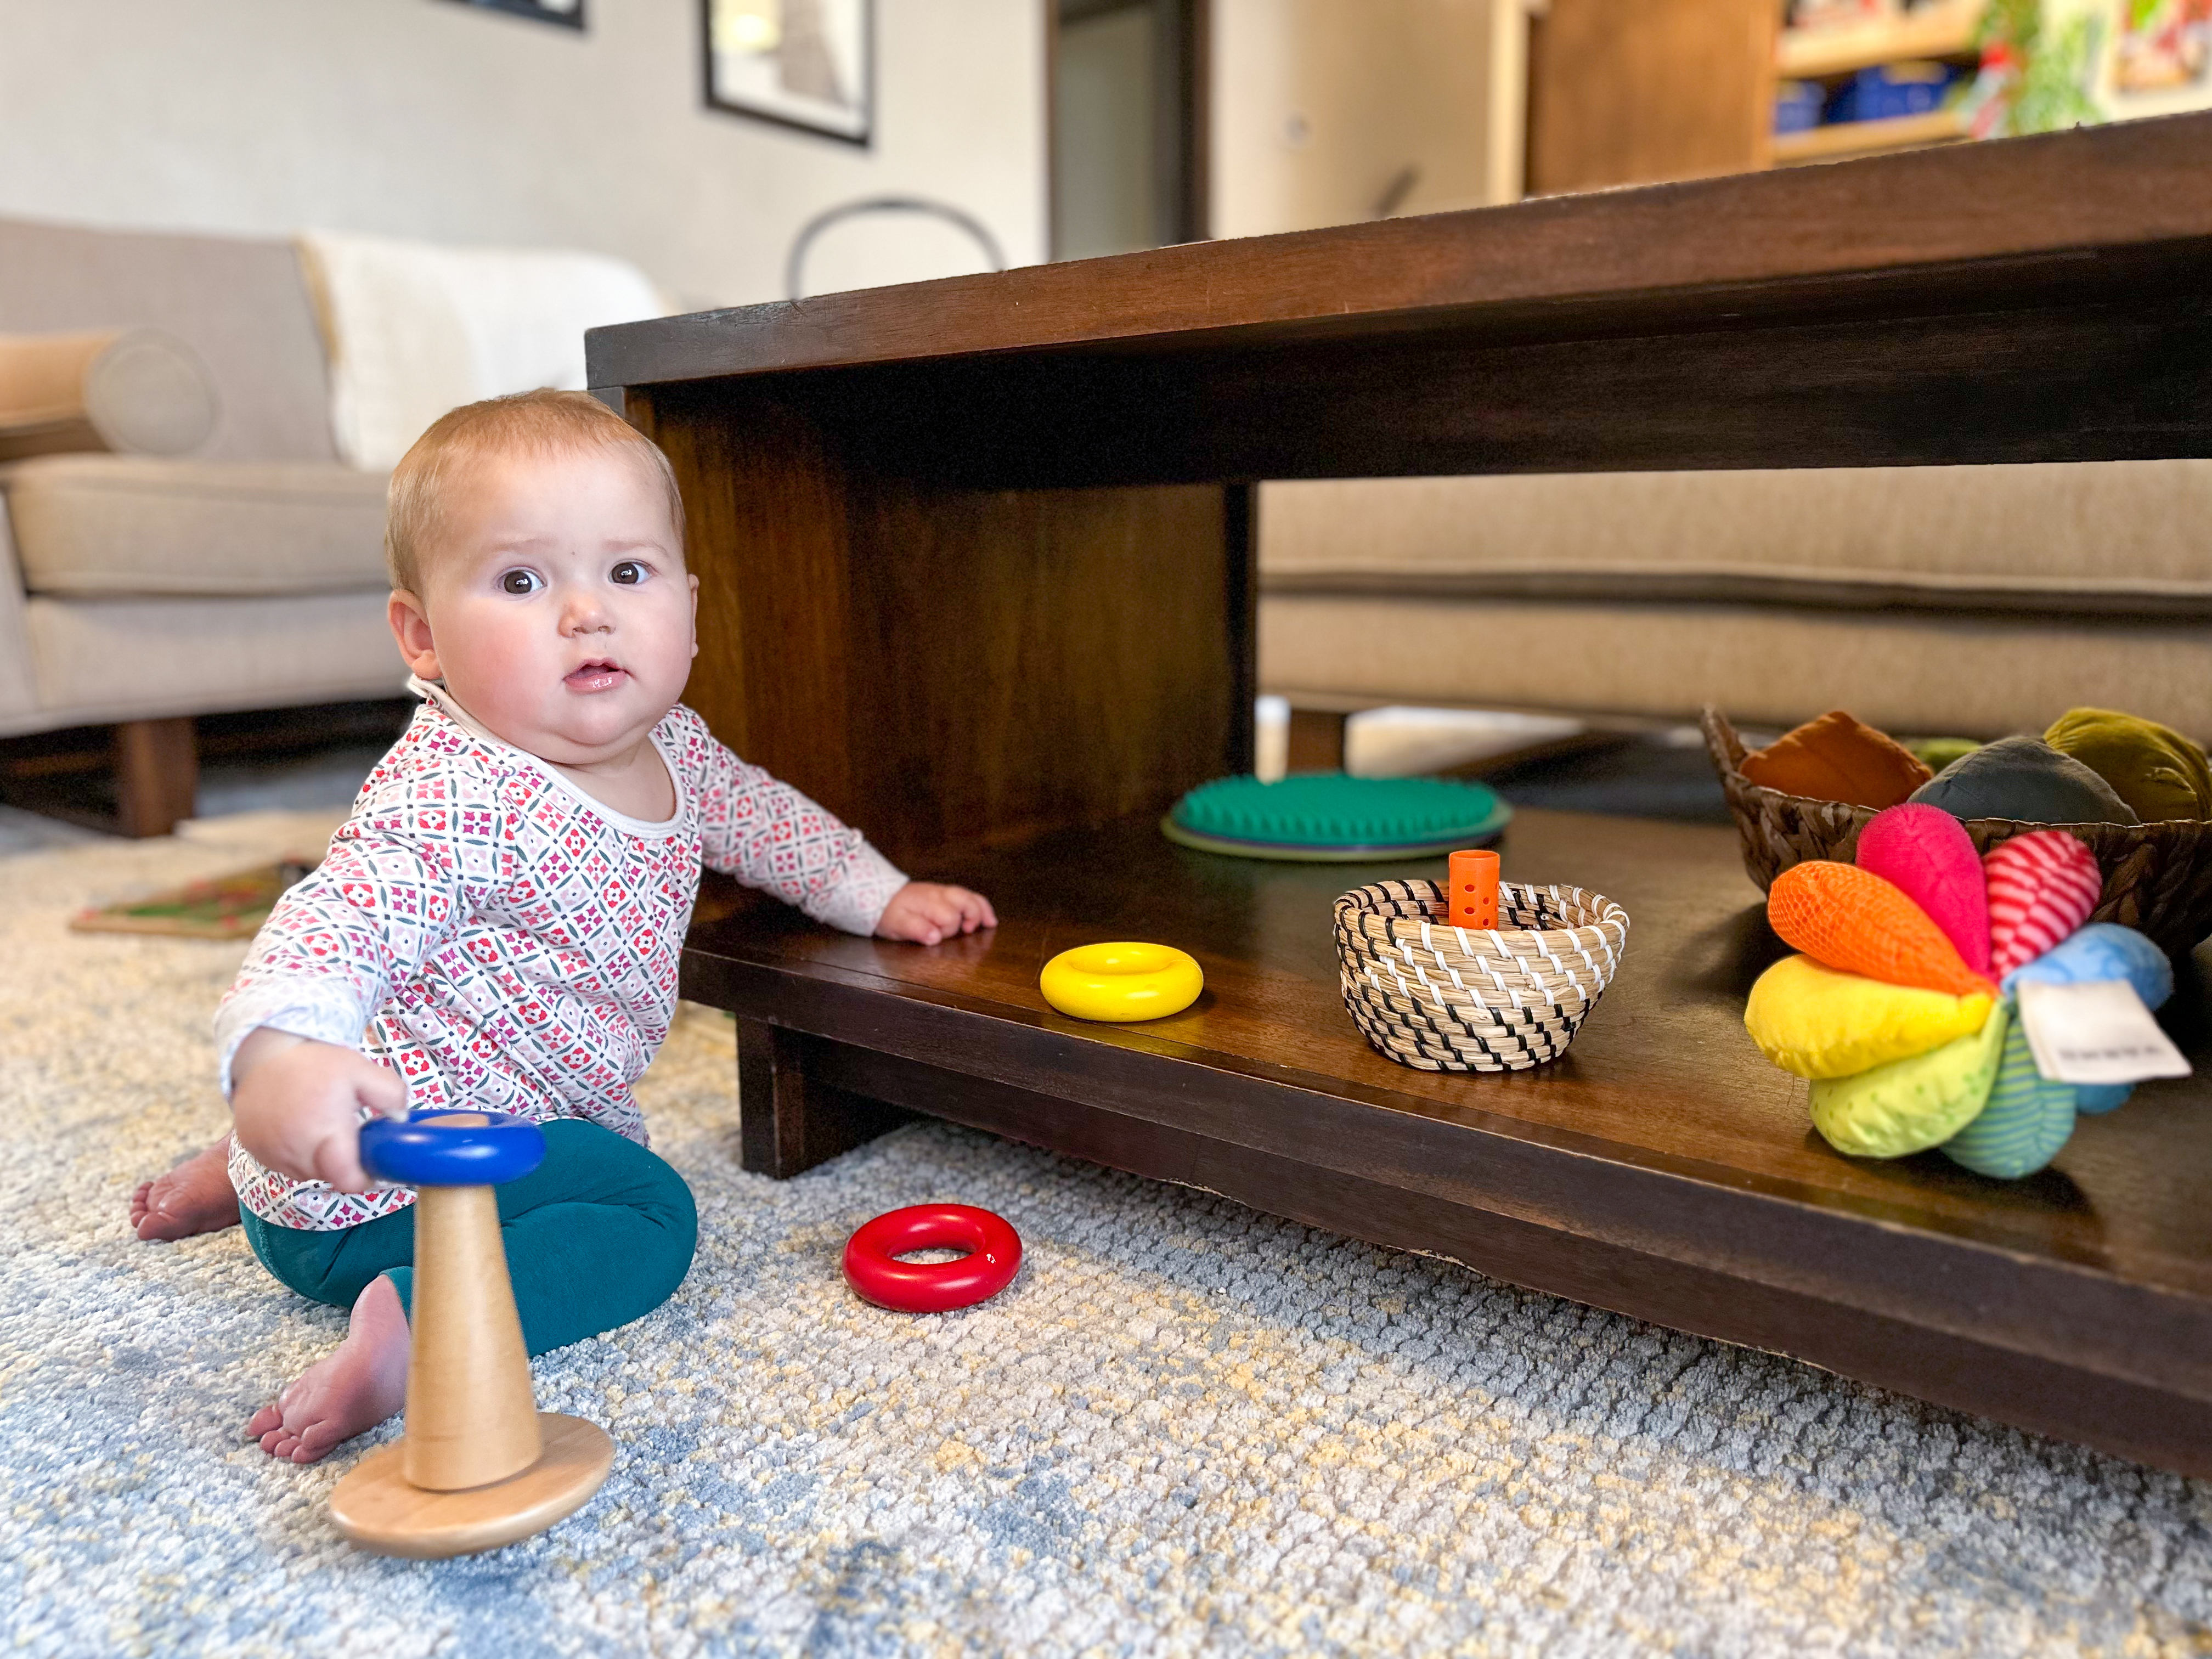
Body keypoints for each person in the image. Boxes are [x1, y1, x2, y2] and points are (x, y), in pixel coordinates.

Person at [134, 388, 994, 1464]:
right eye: (522, 581)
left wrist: (881, 894)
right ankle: (417, 1330)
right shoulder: (458, 793)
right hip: (402, 1191)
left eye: (627, 574)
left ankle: (249, 1169)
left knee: (375, 1083)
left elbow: (772, 825)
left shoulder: (676, 748)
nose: (586, 613)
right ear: (423, 636)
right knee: (648, 1216)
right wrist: (279, 1049)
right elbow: (341, 916)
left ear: (690, 603)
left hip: (341, 1158)